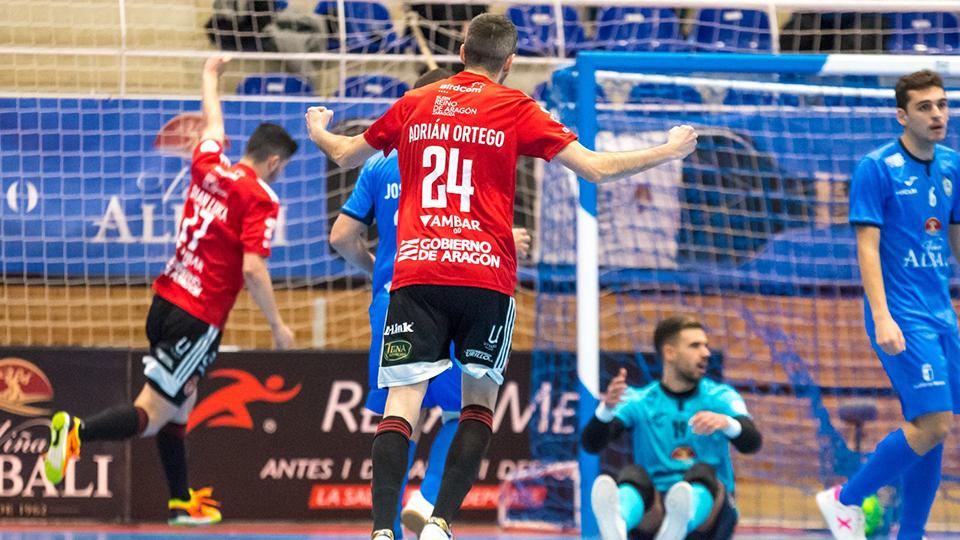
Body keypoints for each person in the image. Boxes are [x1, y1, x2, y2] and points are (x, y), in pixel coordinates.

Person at [305, 13, 697, 540]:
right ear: (509, 63)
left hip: (417, 273)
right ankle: (440, 522)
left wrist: (317, 129)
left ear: (461, 52)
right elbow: (597, 169)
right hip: (484, 278)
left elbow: (344, 155)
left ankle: (380, 531)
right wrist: (670, 150)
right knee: (476, 406)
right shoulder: (516, 107)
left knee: (402, 406)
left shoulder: (415, 103)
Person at [43, 55, 298, 525]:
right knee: (155, 412)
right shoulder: (260, 196)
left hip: (164, 301)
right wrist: (279, 327)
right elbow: (254, 269)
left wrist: (209, 75)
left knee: (184, 399)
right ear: (275, 162)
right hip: (196, 318)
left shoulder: (208, 163)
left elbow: (211, 123)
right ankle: (75, 431)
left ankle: (181, 500)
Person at [330, 66, 532, 537]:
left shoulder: (381, 162)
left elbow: (341, 236)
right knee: (463, 410)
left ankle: (388, 527)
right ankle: (430, 501)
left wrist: (378, 264)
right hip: (462, 281)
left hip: (397, 295)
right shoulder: (474, 146)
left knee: (401, 412)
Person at [817, 69, 960, 540]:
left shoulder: (952, 166)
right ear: (902, 115)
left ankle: (910, 535)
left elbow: (956, 242)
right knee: (935, 422)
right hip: (901, 314)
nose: (937, 114)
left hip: (942, 313)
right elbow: (867, 247)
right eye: (925, 107)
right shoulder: (876, 167)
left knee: (931, 425)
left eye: (942, 104)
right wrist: (882, 316)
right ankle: (845, 499)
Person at [582, 316, 762, 540]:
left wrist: (729, 424)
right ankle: (618, 523)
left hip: (708, 520)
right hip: (656, 514)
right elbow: (591, 444)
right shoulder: (640, 400)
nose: (706, 353)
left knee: (703, 472)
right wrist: (606, 410)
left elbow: (753, 442)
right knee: (633, 476)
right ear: (670, 353)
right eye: (695, 346)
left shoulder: (720, 397)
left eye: (705, 345)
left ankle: (681, 522)